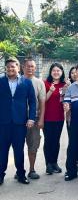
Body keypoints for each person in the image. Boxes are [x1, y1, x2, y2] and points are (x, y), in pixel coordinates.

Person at [0, 57, 36, 185]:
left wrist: (31, 118)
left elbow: (32, 101)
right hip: (3, 123)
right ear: (6, 68)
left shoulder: (26, 82)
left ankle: (21, 174)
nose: (10, 69)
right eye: (8, 67)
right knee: (2, 150)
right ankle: (0, 175)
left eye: (13, 66)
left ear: (18, 68)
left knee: (19, 150)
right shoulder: (0, 81)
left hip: (20, 123)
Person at [22, 58, 46, 180]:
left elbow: (42, 102)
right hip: (18, 118)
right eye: (28, 66)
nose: (30, 68)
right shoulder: (18, 81)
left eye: (32, 67)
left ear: (35, 69)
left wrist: (41, 119)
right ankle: (19, 170)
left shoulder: (39, 82)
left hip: (35, 118)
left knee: (33, 144)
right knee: (18, 145)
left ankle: (32, 169)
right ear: (23, 67)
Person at [43, 62, 66, 175]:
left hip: (59, 117)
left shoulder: (64, 85)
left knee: (56, 141)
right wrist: (50, 91)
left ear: (62, 72)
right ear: (51, 72)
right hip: (47, 117)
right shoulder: (45, 83)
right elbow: (43, 101)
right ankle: (48, 164)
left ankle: (54, 163)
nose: (56, 72)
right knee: (48, 141)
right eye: (54, 70)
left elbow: (65, 100)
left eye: (58, 70)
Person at [65, 67, 78, 172]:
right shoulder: (69, 87)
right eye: (72, 73)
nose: (74, 74)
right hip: (71, 119)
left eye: (75, 72)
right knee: (73, 142)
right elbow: (64, 100)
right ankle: (71, 168)